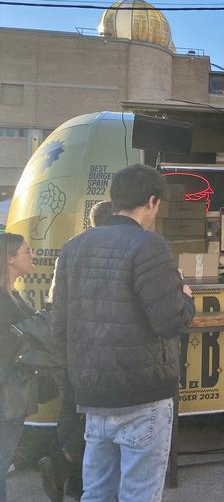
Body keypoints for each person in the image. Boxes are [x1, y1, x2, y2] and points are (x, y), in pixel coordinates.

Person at [51, 165, 195, 502]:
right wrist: (187, 301)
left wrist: (77, 379)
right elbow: (169, 321)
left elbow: (59, 327)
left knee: (97, 492)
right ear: (151, 201)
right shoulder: (150, 246)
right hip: (142, 394)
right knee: (139, 494)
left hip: (91, 392)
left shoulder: (72, 249)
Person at [39, 200, 114, 501]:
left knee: (72, 409)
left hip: (72, 346)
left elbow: (56, 302)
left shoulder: (70, 249)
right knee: (97, 416)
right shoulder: (116, 252)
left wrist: (61, 347)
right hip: (102, 347)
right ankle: (67, 466)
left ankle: (70, 474)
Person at [0, 233, 37, 502]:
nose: (32, 254)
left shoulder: (11, 294)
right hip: (7, 392)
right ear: (9, 258)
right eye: (26, 250)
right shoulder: (4, 299)